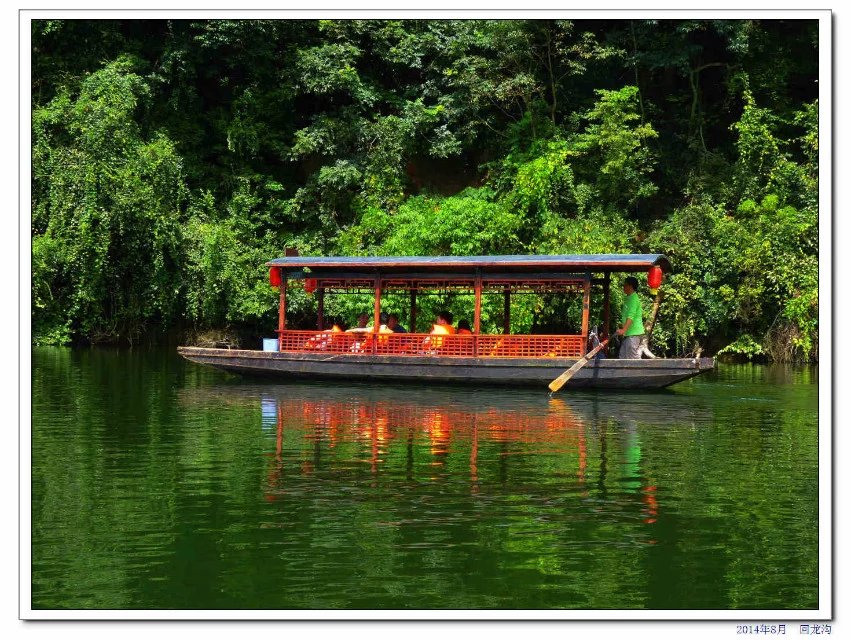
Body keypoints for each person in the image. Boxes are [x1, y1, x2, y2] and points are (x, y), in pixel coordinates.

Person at [616, 276, 645, 359]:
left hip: (634, 334)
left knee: (632, 360)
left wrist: (623, 330)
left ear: (630, 286)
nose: (623, 287)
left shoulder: (634, 299)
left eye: (625, 285)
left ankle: (639, 372)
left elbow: (630, 317)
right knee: (622, 357)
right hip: (628, 334)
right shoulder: (628, 298)